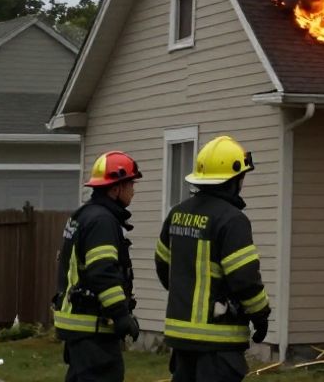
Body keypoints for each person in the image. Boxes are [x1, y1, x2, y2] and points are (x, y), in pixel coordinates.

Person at [155, 135, 270, 382]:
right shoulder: (232, 219)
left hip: (182, 339)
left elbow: (163, 265)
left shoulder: (177, 214)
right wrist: (260, 315)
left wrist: (186, 294)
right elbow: (245, 279)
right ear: (233, 179)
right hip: (219, 343)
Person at [54, 151, 143, 382]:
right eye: (130, 184)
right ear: (115, 189)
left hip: (79, 326)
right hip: (92, 327)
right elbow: (102, 272)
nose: (133, 189)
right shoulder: (102, 221)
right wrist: (121, 316)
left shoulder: (83, 215)